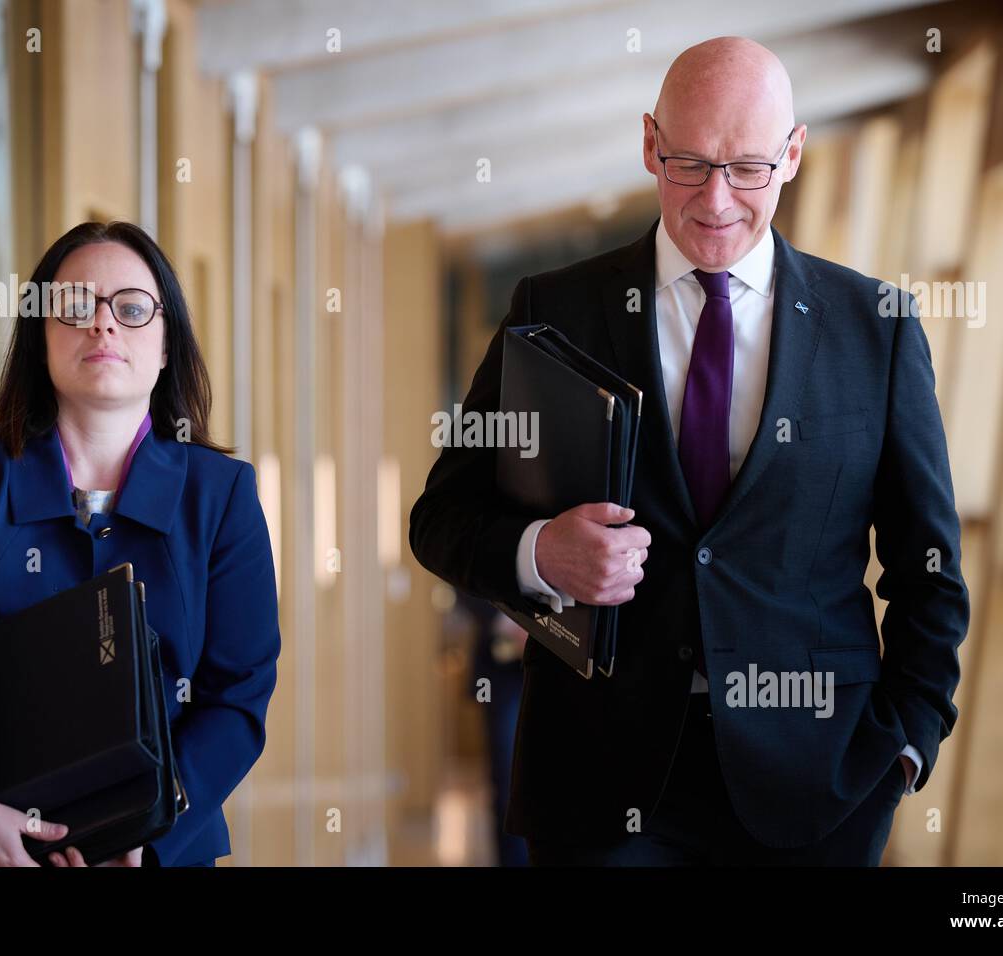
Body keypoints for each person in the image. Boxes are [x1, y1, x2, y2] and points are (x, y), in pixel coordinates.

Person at [408, 37, 970, 865]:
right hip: (601, 779)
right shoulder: (552, 310)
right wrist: (541, 553)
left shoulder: (876, 328)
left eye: (746, 167)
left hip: (821, 786)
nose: (715, 199)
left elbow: (929, 571)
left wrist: (906, 746)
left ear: (793, 155)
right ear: (648, 143)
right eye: (687, 163)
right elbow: (441, 516)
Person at [0, 220, 280, 867]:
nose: (104, 324)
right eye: (75, 306)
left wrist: (146, 827)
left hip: (154, 848)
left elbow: (237, 693)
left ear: (168, 343)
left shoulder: (221, 494)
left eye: (132, 308)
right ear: (39, 337)